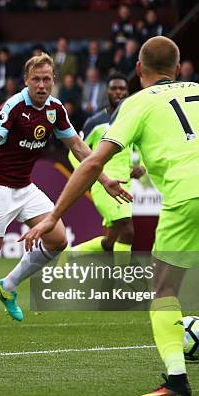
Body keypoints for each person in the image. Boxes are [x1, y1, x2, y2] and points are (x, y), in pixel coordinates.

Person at [22, 36, 199, 396]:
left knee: (164, 291)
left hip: (187, 193)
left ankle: (177, 379)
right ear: (179, 68)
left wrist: (52, 216)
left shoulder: (136, 103)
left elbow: (92, 162)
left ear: (139, 70)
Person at [0, 53, 131, 330]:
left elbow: (79, 148)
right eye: (36, 80)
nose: (41, 85)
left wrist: (105, 179)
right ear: (26, 81)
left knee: (57, 240)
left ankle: (8, 286)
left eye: (46, 79)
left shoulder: (55, 109)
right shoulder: (15, 106)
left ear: (54, 80)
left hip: (24, 186)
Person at [66, 73, 144, 261]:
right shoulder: (95, 122)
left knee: (110, 241)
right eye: (114, 88)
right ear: (106, 92)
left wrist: (139, 165)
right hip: (105, 185)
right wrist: (90, 175)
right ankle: (123, 283)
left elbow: (141, 145)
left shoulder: (130, 120)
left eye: (122, 89)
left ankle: (70, 254)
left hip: (125, 184)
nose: (118, 92)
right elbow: (73, 153)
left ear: (127, 92)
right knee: (128, 230)